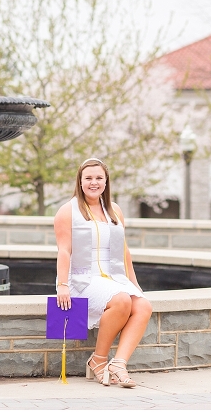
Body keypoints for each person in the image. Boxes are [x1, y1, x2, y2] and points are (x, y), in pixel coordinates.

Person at [54, 158, 153, 388]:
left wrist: (135, 284)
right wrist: (62, 285)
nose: (93, 182)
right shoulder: (67, 211)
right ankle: (98, 361)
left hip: (114, 276)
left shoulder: (114, 210)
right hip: (82, 278)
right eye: (88, 178)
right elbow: (64, 250)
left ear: (106, 182)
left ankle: (118, 363)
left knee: (143, 305)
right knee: (121, 301)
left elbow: (124, 249)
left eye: (99, 178)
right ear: (80, 181)